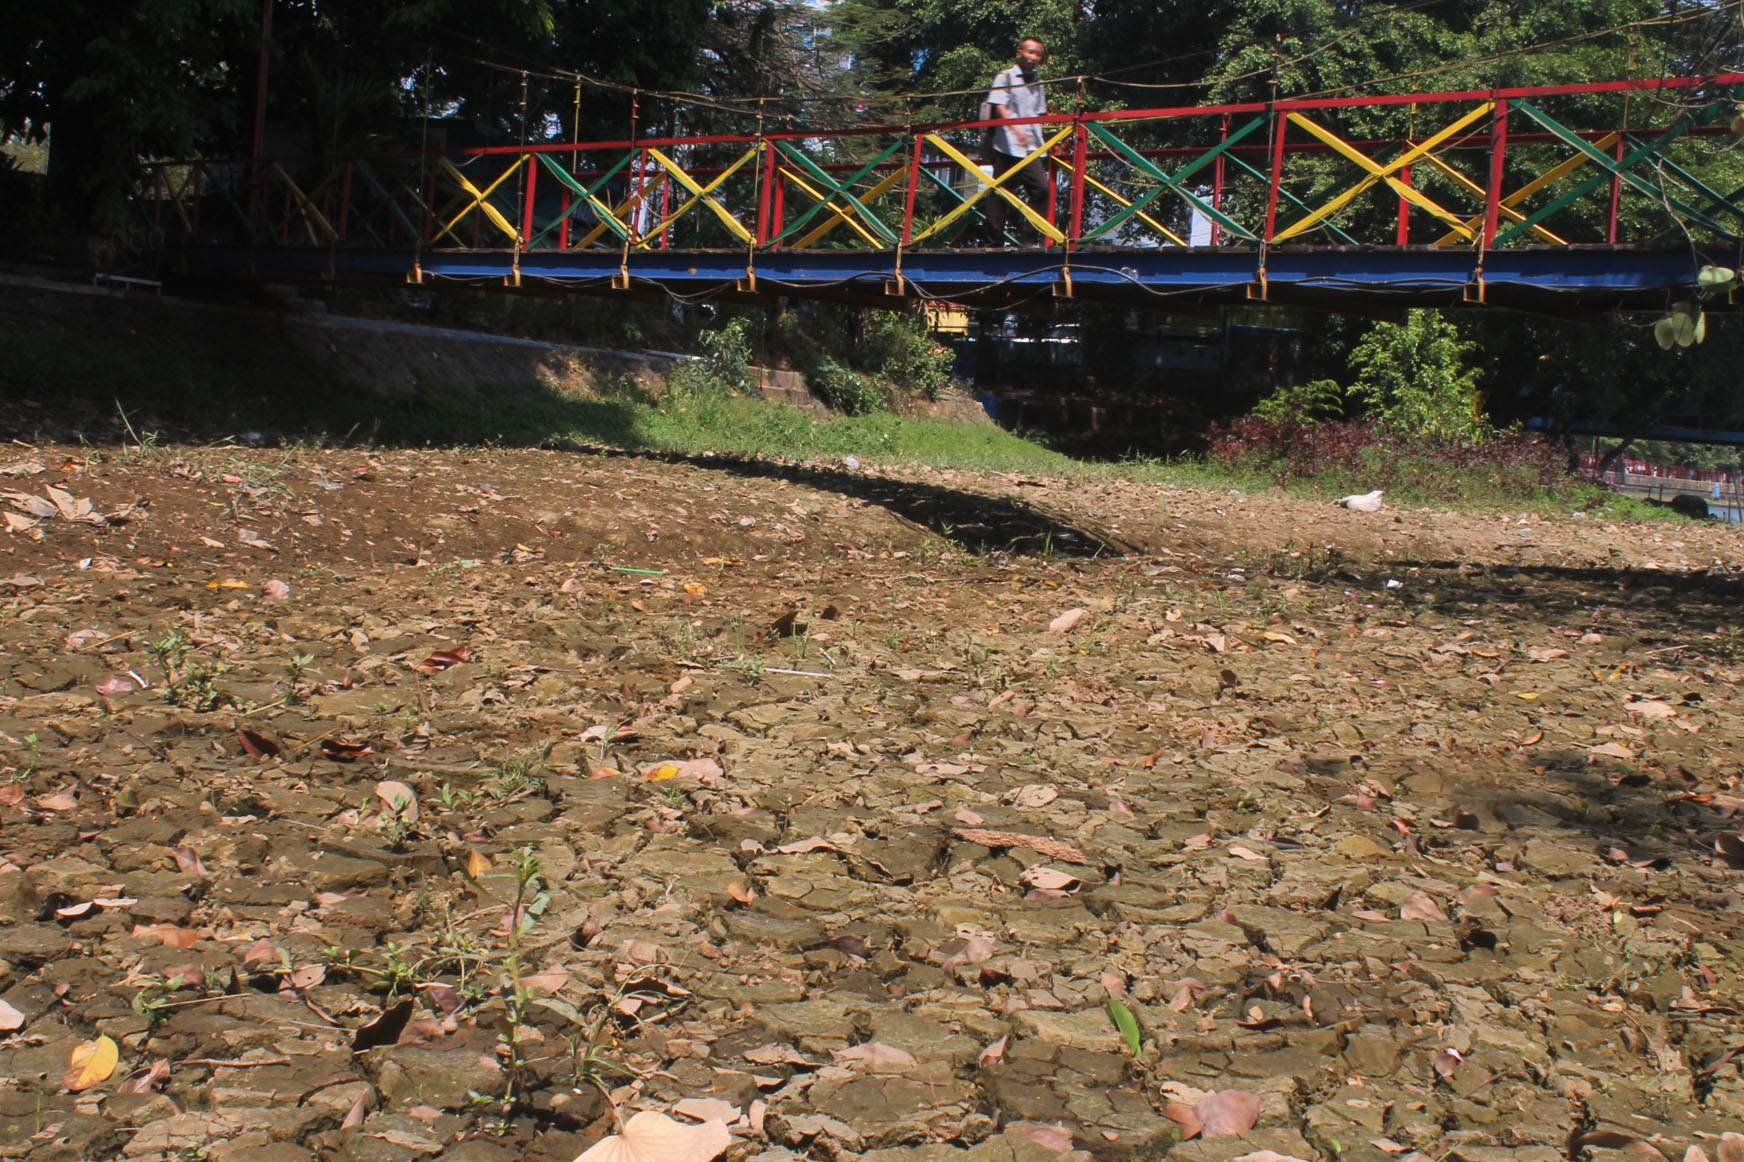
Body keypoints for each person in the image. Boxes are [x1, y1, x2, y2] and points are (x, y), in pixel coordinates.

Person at [984, 36, 1052, 246]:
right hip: (1007, 145)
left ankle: (1029, 240)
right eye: (1030, 52)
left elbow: (1039, 113)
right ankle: (992, 242)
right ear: (1019, 52)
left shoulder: (1038, 82)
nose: (1033, 57)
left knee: (1041, 190)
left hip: (1031, 146)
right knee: (1000, 194)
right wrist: (1016, 130)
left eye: (1038, 54)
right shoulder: (1004, 77)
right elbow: (999, 107)